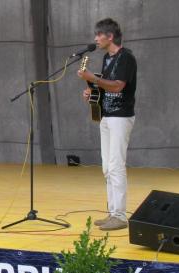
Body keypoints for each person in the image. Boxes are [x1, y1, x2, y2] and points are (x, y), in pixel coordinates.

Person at [77, 18, 137, 231]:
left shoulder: (126, 57)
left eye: (98, 35)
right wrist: (92, 92)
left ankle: (120, 216)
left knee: (116, 166)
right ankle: (112, 212)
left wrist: (92, 78)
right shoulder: (106, 58)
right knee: (106, 168)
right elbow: (105, 86)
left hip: (120, 117)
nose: (95, 39)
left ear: (110, 36)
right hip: (106, 116)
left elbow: (118, 86)